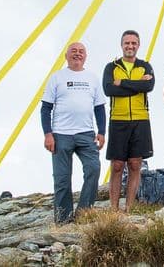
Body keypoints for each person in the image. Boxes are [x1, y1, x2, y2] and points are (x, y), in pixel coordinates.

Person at [40, 42, 106, 223]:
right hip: (61, 134)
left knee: (93, 168)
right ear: (66, 55)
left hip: (86, 133)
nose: (77, 54)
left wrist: (102, 132)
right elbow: (46, 108)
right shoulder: (56, 77)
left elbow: (99, 107)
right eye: (74, 51)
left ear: (86, 56)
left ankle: (83, 213)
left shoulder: (92, 78)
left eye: (81, 51)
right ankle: (63, 220)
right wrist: (48, 134)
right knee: (62, 179)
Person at [102, 30, 155, 211]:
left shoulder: (145, 66)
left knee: (135, 164)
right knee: (117, 165)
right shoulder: (111, 67)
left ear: (138, 45)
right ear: (121, 45)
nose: (130, 46)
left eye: (133, 43)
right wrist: (137, 85)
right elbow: (108, 90)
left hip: (141, 119)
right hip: (118, 119)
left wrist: (122, 83)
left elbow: (149, 86)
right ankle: (114, 209)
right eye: (127, 43)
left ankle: (129, 208)